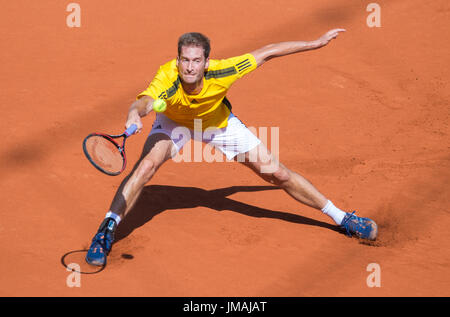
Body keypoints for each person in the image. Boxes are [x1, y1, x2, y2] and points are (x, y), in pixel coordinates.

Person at [85, 30, 377, 266]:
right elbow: (146, 101)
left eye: (196, 60)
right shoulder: (167, 78)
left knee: (278, 175)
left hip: (218, 124)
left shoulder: (224, 71)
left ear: (207, 62)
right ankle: (106, 230)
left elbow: (269, 51)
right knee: (145, 167)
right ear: (178, 60)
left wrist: (313, 43)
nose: (189, 67)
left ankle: (342, 218)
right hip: (175, 123)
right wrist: (134, 113)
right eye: (185, 60)